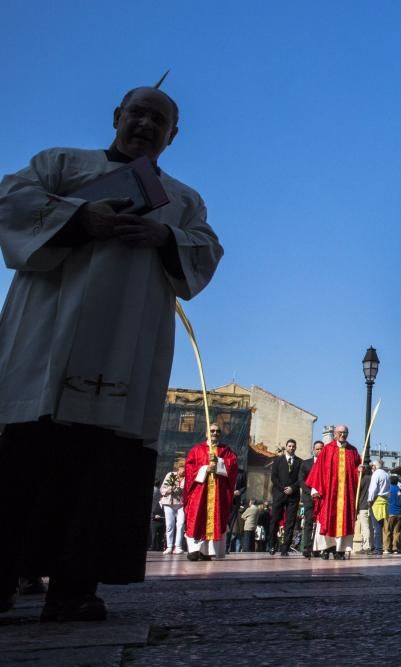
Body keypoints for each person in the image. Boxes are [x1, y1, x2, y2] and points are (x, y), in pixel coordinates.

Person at [0, 85, 223, 621]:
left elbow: (206, 248)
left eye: (160, 119)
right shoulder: (60, 164)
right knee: (26, 456)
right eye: (138, 113)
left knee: (102, 466)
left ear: (174, 135)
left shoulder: (181, 198)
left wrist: (160, 236)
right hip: (47, 339)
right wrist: (80, 218)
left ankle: (75, 587)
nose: (146, 124)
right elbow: (10, 202)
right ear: (117, 116)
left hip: (129, 343)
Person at [183, 425, 238, 560]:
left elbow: (233, 465)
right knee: (197, 516)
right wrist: (205, 468)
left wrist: (219, 462)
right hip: (200, 491)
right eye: (212, 431)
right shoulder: (197, 450)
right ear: (206, 434)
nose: (215, 433)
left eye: (218, 431)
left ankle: (208, 551)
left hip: (218, 492)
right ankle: (195, 550)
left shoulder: (225, 450)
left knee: (216, 518)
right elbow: (189, 468)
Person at [306, 425, 361, 560]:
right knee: (327, 518)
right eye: (340, 432)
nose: (343, 435)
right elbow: (319, 469)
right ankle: (327, 548)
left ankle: (340, 550)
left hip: (346, 495)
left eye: (345, 432)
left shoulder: (353, 451)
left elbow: (356, 469)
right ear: (335, 434)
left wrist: (359, 470)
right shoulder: (327, 449)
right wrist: (316, 489)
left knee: (344, 520)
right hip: (329, 493)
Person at [269, 439, 301, 556]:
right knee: (275, 520)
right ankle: (272, 545)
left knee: (290, 522)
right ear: (286, 447)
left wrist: (292, 488)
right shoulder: (277, 461)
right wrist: (284, 488)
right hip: (279, 494)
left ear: (295, 448)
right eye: (289, 446)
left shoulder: (299, 462)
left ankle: (285, 548)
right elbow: (274, 477)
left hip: (293, 496)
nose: (291, 448)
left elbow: (301, 479)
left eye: (293, 446)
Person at [299, 440, 324, 558]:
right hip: (309, 498)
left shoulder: (327, 464)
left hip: (322, 498)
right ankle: (307, 547)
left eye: (321, 448)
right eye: (317, 449)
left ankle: (317, 548)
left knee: (320, 524)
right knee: (309, 522)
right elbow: (301, 480)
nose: (319, 451)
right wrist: (311, 492)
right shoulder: (305, 463)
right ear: (313, 450)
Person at [159, 460, 186, 555]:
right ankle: (169, 546)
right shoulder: (170, 475)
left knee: (181, 524)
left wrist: (181, 490)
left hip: (181, 504)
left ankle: (178, 546)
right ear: (178, 468)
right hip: (168, 503)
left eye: (185, 468)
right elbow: (162, 489)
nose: (184, 470)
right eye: (182, 467)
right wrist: (170, 489)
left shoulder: (187, 478)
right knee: (170, 525)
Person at [368, 459, 390, 556]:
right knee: (380, 526)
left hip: (376, 501)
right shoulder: (386, 474)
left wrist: (370, 500)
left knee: (376, 527)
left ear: (375, 466)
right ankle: (379, 547)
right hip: (384, 501)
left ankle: (377, 548)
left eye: (372, 465)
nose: (371, 467)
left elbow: (373, 489)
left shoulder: (376, 474)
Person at [355, 462, 374, 554]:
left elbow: (357, 489)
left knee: (365, 527)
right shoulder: (372, 478)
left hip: (363, 506)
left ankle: (366, 546)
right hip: (372, 506)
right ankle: (370, 545)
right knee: (370, 527)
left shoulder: (363, 479)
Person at [386, 476, 401, 554]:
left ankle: (387, 547)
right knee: (396, 532)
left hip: (390, 512)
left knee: (388, 531)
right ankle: (395, 547)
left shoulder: (388, 489)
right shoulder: (400, 490)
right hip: (399, 513)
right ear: (397, 482)